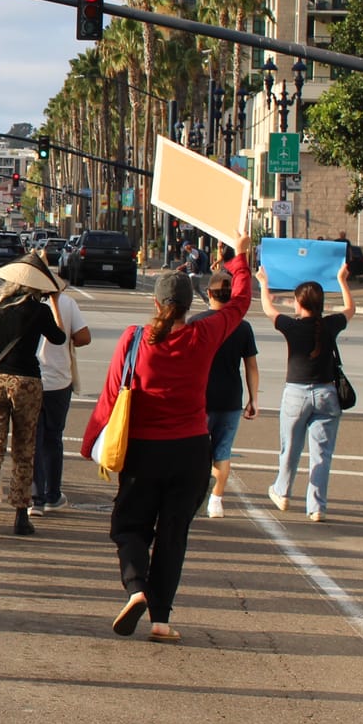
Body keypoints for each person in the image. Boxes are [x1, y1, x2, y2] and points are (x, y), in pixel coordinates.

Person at [84, 236, 251, 642]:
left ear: (156, 304)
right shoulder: (204, 335)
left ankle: (136, 587)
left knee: (129, 526)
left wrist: (90, 442)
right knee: (174, 534)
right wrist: (239, 258)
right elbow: (240, 303)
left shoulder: (135, 339)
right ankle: (160, 620)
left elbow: (111, 395)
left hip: (143, 452)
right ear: (189, 305)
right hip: (192, 451)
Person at [0, 255, 69, 538]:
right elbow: (60, 338)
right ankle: (20, 515)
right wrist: (53, 302)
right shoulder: (39, 310)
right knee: (25, 449)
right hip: (27, 382)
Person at [259, 263, 355, 522]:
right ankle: (317, 507)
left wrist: (263, 282)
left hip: (296, 394)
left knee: (289, 447)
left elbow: (268, 309)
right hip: (327, 394)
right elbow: (350, 309)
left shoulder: (292, 327)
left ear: (300, 304)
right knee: (321, 454)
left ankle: (283, 491)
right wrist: (342, 280)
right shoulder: (331, 325)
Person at [29, 275, 91, 517]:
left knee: (32, 438)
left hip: (29, 379)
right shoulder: (66, 303)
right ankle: (52, 494)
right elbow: (84, 337)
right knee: (53, 438)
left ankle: (35, 497)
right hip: (58, 381)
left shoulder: (21, 302)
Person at [201, 266, 260, 520]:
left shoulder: (199, 323)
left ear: (208, 294)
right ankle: (216, 499)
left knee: (198, 451)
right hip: (231, 397)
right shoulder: (242, 328)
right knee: (222, 451)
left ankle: (196, 495)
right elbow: (251, 366)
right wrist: (253, 398)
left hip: (200, 397)